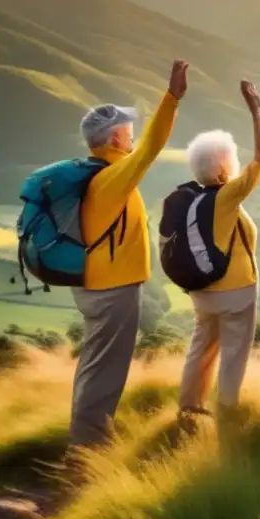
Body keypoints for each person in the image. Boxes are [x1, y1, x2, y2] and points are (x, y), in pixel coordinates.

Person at [70, 59, 188, 447]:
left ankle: (87, 440)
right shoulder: (113, 175)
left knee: (96, 365)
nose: (132, 135)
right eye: (127, 130)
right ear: (115, 139)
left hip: (96, 282)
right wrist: (171, 99)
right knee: (106, 370)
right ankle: (88, 453)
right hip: (113, 289)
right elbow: (152, 147)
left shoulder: (95, 174)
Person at [177, 80, 260, 422]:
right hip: (236, 293)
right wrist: (255, 109)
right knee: (233, 354)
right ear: (221, 168)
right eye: (230, 159)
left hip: (203, 291)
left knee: (200, 347)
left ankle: (188, 408)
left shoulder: (193, 197)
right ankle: (228, 415)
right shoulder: (227, 197)